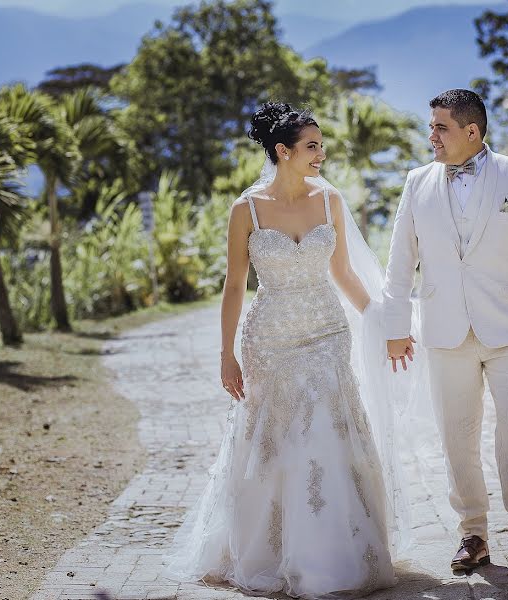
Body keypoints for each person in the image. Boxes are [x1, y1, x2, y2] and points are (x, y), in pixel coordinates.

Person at [163, 102, 402, 598]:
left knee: (329, 432)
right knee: (275, 441)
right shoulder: (245, 209)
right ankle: (272, 550)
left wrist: (379, 320)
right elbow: (233, 287)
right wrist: (226, 354)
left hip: (326, 332)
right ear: (282, 151)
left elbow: (343, 274)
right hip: (270, 338)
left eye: (320, 145)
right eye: (311, 146)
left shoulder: (328, 200)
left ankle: (337, 552)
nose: (321, 153)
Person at [383, 89, 508, 574]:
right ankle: (472, 533)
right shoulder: (416, 182)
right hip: (444, 330)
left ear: (472, 132)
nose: (431, 136)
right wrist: (395, 328)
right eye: (431, 127)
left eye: (440, 128)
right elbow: (400, 262)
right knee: (457, 437)